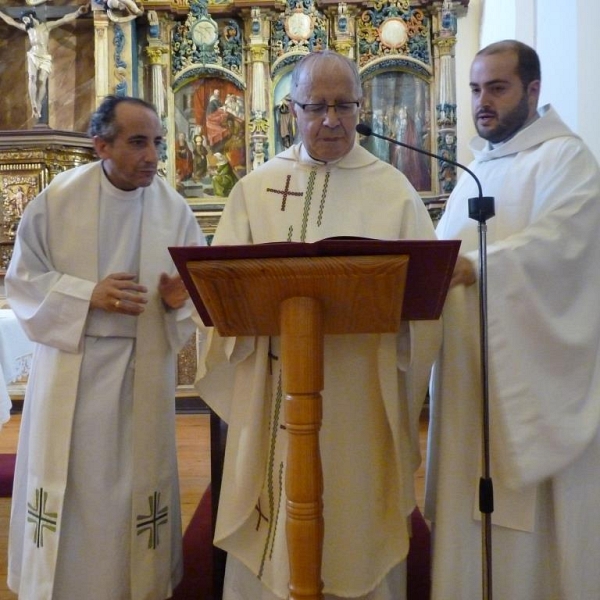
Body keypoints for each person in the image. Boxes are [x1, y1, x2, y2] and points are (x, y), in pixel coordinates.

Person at [194, 50, 441, 600]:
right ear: (292, 110)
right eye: (317, 106)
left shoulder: (394, 191)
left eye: (344, 106)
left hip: (360, 393)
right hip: (272, 388)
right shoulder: (254, 190)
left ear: (361, 107)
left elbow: (425, 312)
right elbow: (218, 301)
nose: (331, 120)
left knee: (356, 506)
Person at [6, 95, 206, 599]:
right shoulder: (58, 199)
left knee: (133, 493)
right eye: (138, 142)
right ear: (101, 145)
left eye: (157, 143)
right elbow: (23, 282)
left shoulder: (172, 208)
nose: (153, 156)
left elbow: (195, 289)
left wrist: (181, 297)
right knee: (71, 490)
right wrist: (87, 294)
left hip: (141, 373)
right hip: (72, 372)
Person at [425, 40, 600, 599]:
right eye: (476, 89)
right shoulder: (477, 168)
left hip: (535, 383)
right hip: (467, 379)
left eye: (496, 88)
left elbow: (564, 245)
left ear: (533, 90)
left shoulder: (566, 159)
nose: (482, 102)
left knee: (536, 536)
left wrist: (478, 267)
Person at [0, 4, 89, 120]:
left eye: (26, 19)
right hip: (33, 54)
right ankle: (33, 105)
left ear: (32, 17)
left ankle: (39, 103)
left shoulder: (46, 27)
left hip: (44, 56)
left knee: (42, 81)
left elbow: (64, 19)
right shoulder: (28, 29)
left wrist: (78, 13)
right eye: (24, 21)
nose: (25, 22)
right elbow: (10, 21)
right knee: (32, 78)